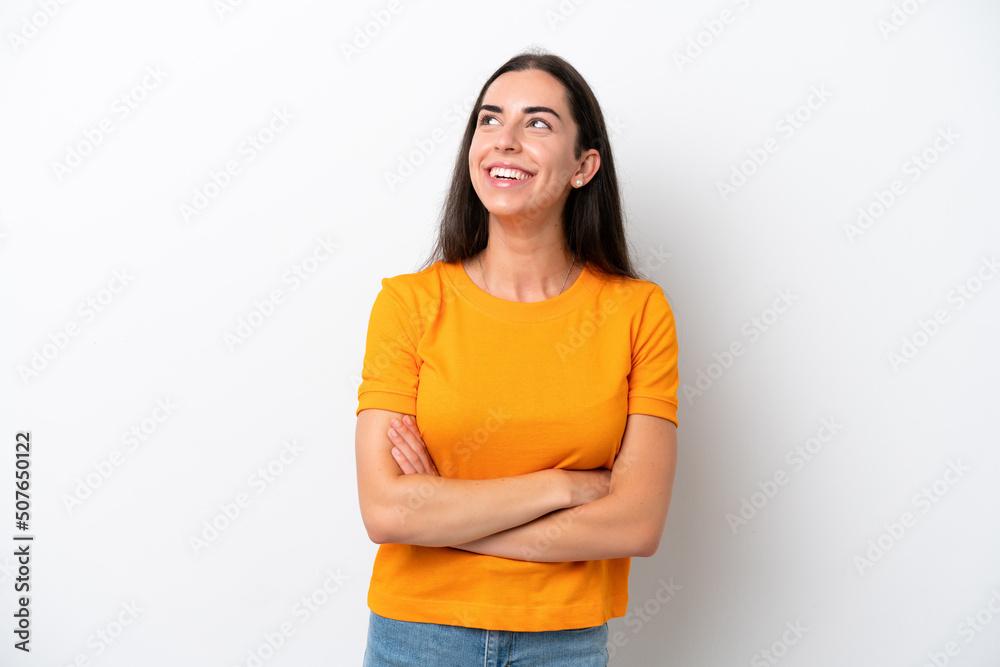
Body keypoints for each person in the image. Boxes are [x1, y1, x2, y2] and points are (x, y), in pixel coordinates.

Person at [354, 50, 679, 667]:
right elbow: (387, 511)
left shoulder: (638, 312)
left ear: (584, 167)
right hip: (416, 637)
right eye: (489, 119)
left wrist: (444, 515)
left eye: (537, 123)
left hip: (566, 642)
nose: (504, 140)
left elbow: (635, 526)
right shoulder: (408, 303)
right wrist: (565, 486)